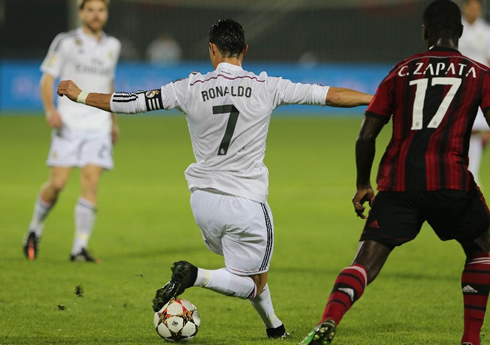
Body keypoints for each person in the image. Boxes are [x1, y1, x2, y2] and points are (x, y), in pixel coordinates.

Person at [56, 19, 372, 338]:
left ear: (212, 49)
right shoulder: (268, 85)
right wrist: (374, 100)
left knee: (252, 271)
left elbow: (131, 102)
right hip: (245, 204)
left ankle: (275, 328)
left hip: (203, 203)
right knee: (251, 283)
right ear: (245, 50)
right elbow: (329, 95)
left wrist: (80, 94)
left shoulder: (190, 87)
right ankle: (195, 276)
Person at [301, 1, 490, 344]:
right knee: (482, 249)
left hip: (398, 183)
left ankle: (327, 322)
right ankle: (471, 339)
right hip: (450, 181)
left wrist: (362, 184)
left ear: (425, 31)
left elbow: (366, 135)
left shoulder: (401, 70)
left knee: (366, 261)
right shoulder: (480, 73)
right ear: (460, 33)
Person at [23, 0, 121, 263]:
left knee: (91, 182)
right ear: (81, 13)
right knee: (57, 183)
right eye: (90, 9)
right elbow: (47, 78)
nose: (96, 14)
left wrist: (113, 122)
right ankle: (34, 228)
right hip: (68, 122)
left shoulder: (113, 46)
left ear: (106, 14)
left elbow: (108, 84)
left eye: (101, 10)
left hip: (98, 125)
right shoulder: (65, 41)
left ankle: (79, 248)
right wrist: (49, 110)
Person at [460, 0, 490, 185]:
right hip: (459, 86)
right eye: (471, 7)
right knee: (464, 129)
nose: (474, 10)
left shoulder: (486, 31)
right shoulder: (457, 29)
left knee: (477, 130)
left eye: (476, 7)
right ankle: (467, 174)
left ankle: (471, 175)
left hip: (481, 86)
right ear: (465, 8)